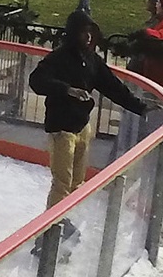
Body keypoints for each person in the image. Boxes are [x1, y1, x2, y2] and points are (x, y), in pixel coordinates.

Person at [30, 11, 151, 206]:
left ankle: (67, 220)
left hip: (83, 126)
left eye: (90, 32)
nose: (88, 37)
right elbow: (36, 80)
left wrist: (141, 107)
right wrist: (67, 90)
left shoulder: (92, 59)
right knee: (62, 183)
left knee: (77, 183)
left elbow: (113, 87)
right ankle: (52, 227)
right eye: (83, 32)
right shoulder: (58, 58)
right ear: (73, 33)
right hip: (62, 129)